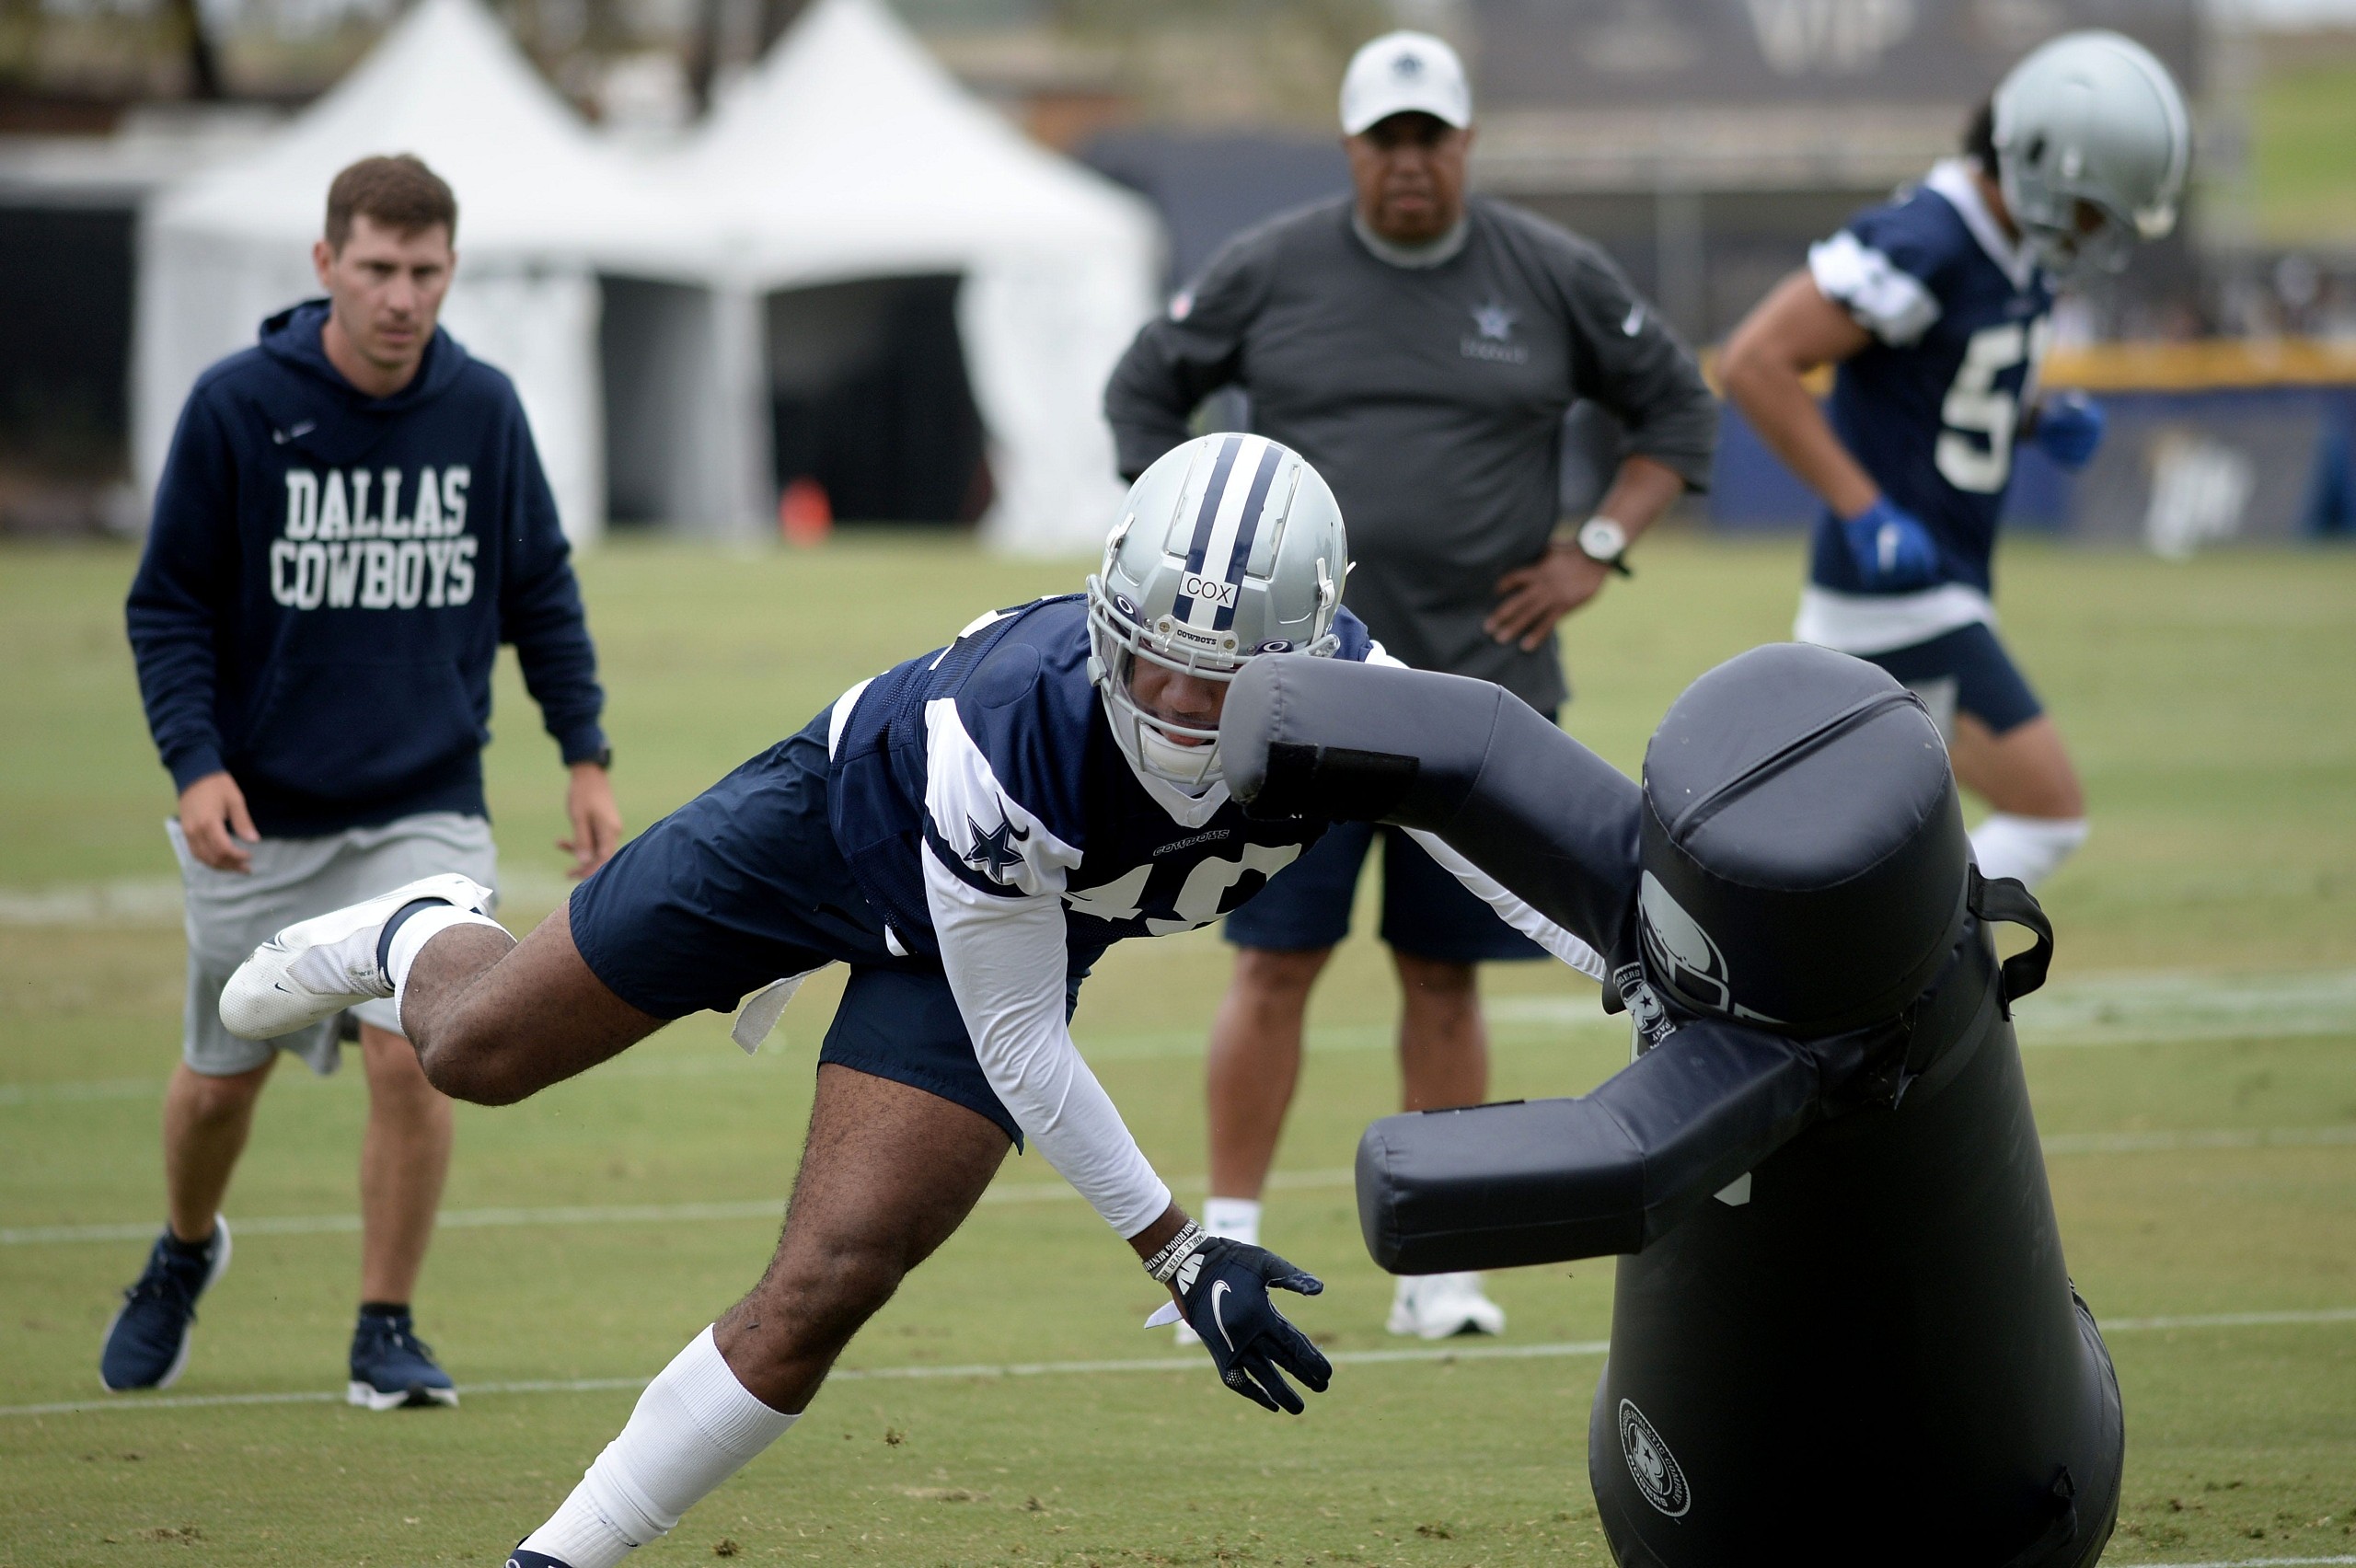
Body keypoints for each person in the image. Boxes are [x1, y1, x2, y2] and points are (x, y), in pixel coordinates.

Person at [214, 435, 1605, 1568]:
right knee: (476, 1053)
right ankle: (415, 930)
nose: (1177, 709)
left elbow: (1501, 837)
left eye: (1219, 680)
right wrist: (1181, 1255)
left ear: (1303, 657)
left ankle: (559, 1558)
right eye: (1152, 661)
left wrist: (1638, 970)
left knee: (835, 1277)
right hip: (827, 833)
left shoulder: (1361, 703)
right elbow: (1020, 1040)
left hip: (998, 934)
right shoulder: (1017, 728)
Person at [1102, 29, 1716, 1339]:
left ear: (1465, 145)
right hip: (1303, 698)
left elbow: (1679, 411)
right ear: (1352, 151)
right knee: (1276, 968)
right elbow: (1145, 390)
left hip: (1484, 703)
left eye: (1431, 137)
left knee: (1446, 981)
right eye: (1387, 140)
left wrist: (1595, 550)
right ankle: (1226, 1247)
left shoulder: (1551, 273)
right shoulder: (1272, 265)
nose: (1410, 162)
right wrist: (1200, 555)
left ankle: (1443, 1273)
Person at [110, 154, 620, 1408]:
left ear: (451, 271)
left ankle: (384, 1328)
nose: (403, 297)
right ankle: (184, 1251)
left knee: (419, 1052)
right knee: (220, 1084)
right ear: (326, 263)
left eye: (427, 272)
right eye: (380, 268)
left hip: (423, 807)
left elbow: (539, 590)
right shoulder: (237, 406)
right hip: (261, 818)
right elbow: (167, 605)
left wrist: (585, 755)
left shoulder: (485, 409)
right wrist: (195, 768)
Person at [1719, 31, 2189, 891]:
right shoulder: (1926, 239)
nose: (2093, 234)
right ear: (2041, 160)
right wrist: (1862, 508)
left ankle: (1853, 971)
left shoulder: (2020, 242)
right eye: (2091, 209)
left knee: (1871, 836)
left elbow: (1939, 386)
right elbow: (1755, 362)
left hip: (1940, 585)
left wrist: (2031, 415)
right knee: (2049, 813)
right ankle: (1865, 967)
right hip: (1896, 605)